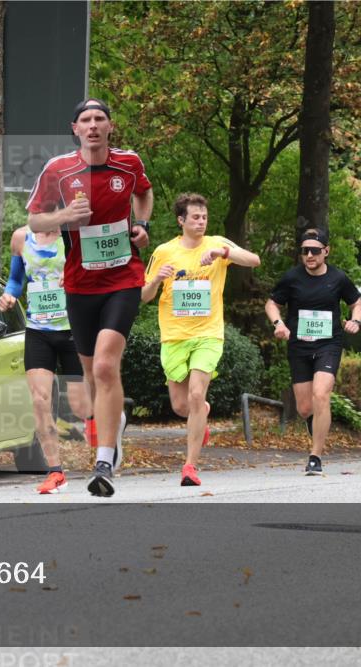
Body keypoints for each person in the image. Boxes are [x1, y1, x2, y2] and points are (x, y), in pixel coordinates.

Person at [27, 98, 152, 497]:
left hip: (124, 277)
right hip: (80, 284)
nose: (93, 125)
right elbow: (34, 218)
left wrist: (143, 225)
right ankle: (112, 424)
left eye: (100, 119)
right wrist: (64, 218)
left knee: (103, 365)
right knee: (88, 371)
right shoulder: (58, 170)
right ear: (75, 128)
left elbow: (143, 195)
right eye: (86, 120)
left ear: (110, 127)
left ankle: (103, 459)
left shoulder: (128, 164)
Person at [142, 193, 260, 486]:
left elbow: (254, 260)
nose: (201, 222)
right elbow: (143, 297)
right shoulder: (164, 251)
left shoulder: (217, 244)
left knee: (196, 394)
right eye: (195, 217)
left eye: (204, 217)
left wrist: (224, 253)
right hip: (174, 337)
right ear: (181, 220)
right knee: (182, 407)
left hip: (208, 334)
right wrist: (157, 278)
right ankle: (202, 415)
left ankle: (189, 467)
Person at [0, 226, 92, 494]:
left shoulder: (74, 236)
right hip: (39, 330)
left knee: (80, 406)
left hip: (74, 328)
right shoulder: (21, 238)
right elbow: (16, 280)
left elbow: (98, 275)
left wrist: (76, 279)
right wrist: (9, 295)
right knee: (39, 400)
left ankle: (104, 420)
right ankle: (55, 472)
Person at [265, 228, 361, 475]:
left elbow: (357, 303)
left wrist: (356, 320)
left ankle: (315, 457)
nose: (309, 255)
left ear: (326, 252)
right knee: (305, 408)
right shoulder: (292, 278)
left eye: (315, 251)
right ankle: (315, 422)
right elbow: (272, 304)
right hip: (299, 346)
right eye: (305, 251)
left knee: (321, 395)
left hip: (328, 344)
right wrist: (279, 324)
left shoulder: (338, 278)